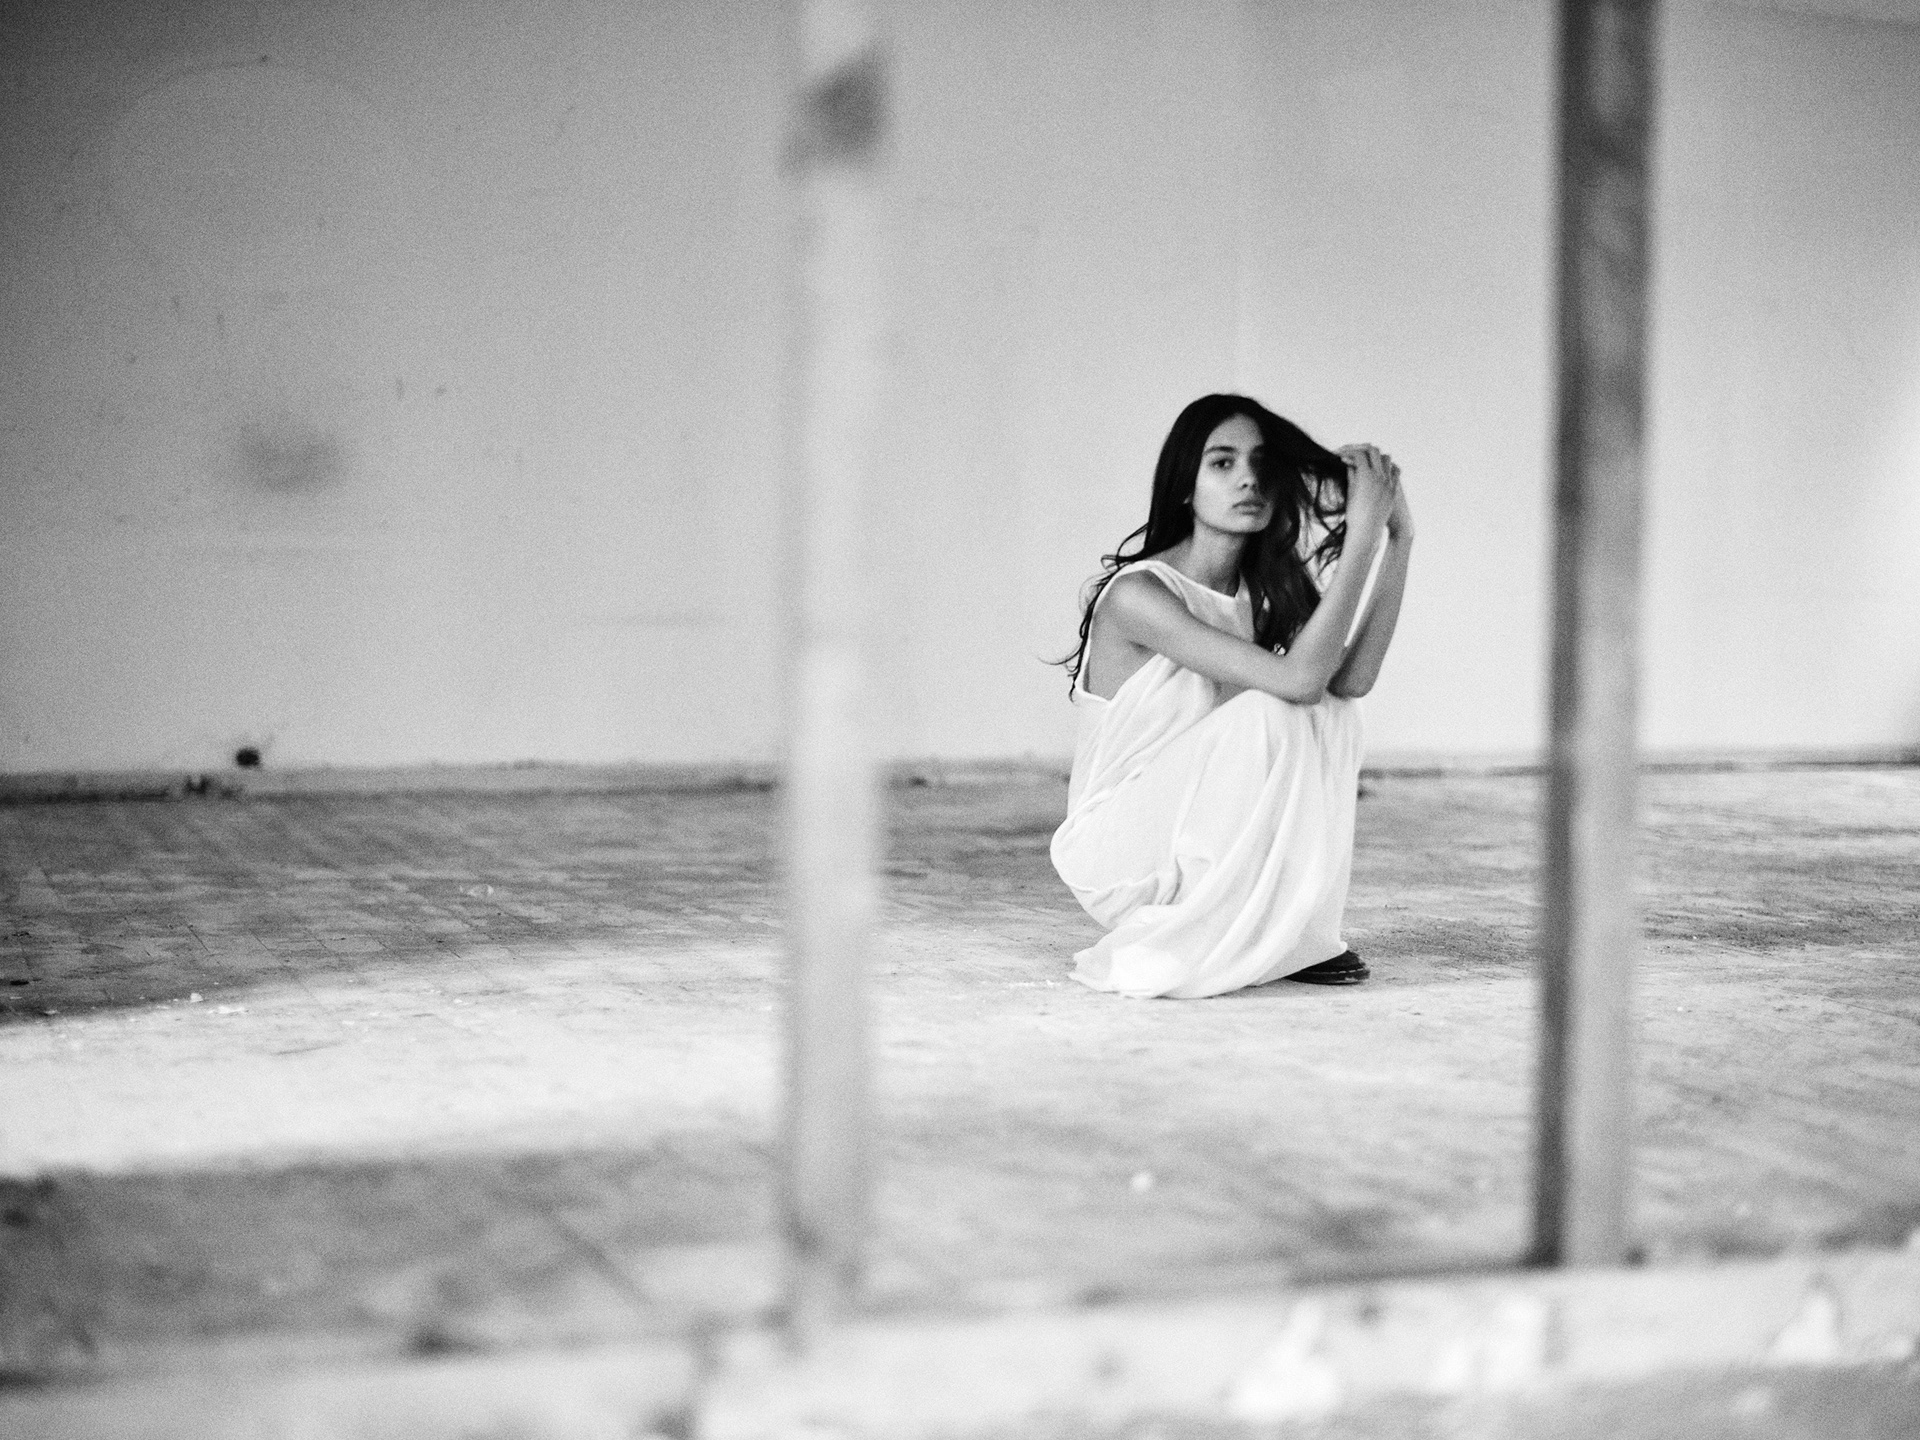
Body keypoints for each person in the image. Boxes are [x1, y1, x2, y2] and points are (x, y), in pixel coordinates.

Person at [1049, 393, 1413, 999]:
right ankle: (1240, 930)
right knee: (1274, 706)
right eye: (1222, 463)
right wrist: (1361, 538)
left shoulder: (1260, 590)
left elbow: (1348, 683)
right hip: (1117, 850)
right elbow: (1296, 682)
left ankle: (1297, 934)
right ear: (1184, 487)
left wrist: (1398, 541)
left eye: (1262, 464)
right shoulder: (1140, 596)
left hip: (1184, 828)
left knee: (1334, 714)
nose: (1248, 479)